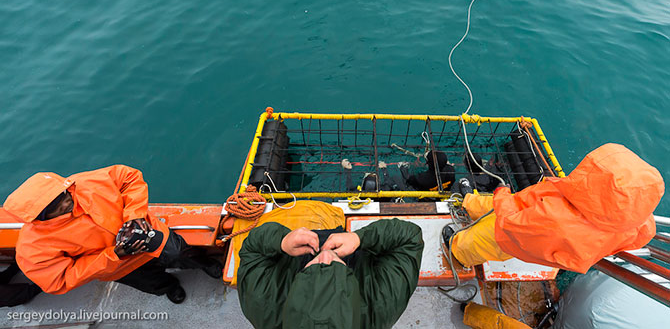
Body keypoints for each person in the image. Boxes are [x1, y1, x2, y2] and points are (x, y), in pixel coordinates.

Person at [2, 165, 222, 303]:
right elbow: (60, 280)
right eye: (56, 206)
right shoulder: (33, 247)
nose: (68, 200)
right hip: (117, 265)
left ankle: (205, 264)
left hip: (148, 234)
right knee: (150, 282)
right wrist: (113, 255)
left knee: (182, 252)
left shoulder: (85, 183)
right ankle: (170, 288)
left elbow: (129, 177)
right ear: (39, 216)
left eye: (64, 194)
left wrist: (134, 217)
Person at [442, 143, 665, 273]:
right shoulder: (635, 221)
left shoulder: (558, 221)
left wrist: (502, 194)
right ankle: (470, 203)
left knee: (481, 239)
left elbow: (510, 224)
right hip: (538, 216)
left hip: (515, 234)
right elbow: (642, 232)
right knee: (493, 206)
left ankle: (457, 252)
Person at [237, 218, 424, 329]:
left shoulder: (262, 304)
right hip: (355, 248)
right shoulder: (381, 305)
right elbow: (410, 238)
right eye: (339, 271)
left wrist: (282, 241)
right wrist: (360, 237)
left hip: (293, 248)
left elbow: (252, 249)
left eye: (310, 271)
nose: (325, 255)